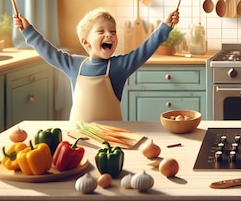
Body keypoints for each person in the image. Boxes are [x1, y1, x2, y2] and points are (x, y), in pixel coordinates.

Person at [14, 8, 180, 122]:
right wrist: (28, 31)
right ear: (86, 42)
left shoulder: (119, 66)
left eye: (113, 32)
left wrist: (165, 27)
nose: (109, 35)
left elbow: (145, 49)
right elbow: (48, 51)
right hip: (78, 136)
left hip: (112, 137)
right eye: (101, 32)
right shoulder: (74, 64)